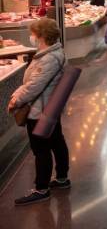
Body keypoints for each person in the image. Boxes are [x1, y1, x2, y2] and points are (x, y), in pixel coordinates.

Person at [8, 18, 70, 206]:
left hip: (41, 110)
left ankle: (41, 188)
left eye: (34, 34)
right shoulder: (51, 53)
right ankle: (61, 178)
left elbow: (34, 86)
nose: (32, 37)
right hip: (50, 107)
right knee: (56, 142)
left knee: (41, 149)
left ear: (41, 36)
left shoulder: (49, 58)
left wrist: (16, 100)